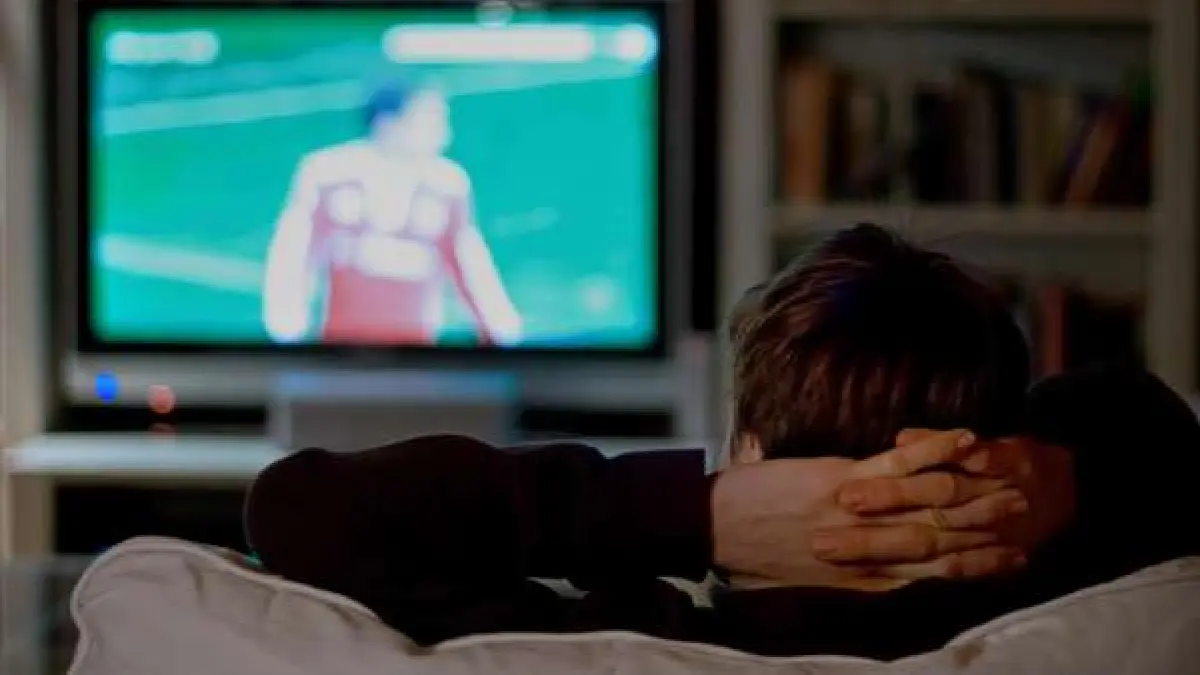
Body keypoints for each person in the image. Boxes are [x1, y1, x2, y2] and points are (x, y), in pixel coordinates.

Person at [246, 225, 1200, 658]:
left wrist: (693, 510)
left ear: (747, 448)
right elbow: (1151, 423)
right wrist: (1059, 479)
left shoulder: (624, 641)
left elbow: (298, 510)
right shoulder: (1089, 588)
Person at [261, 80, 522, 346]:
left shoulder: (447, 184)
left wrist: (499, 326)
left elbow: (469, 263)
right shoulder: (328, 173)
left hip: (415, 356)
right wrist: (287, 322)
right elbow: (293, 250)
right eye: (431, 119)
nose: (444, 133)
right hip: (342, 353)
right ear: (388, 122)